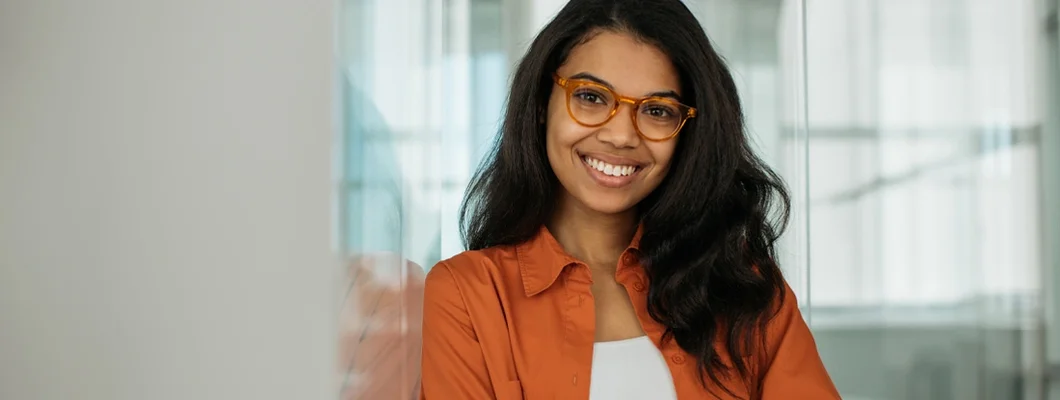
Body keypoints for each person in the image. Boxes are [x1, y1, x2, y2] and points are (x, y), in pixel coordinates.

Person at [420, 0, 840, 399]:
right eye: (590, 97)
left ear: (687, 131)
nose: (621, 135)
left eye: (657, 111)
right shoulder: (467, 295)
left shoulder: (743, 284)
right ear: (542, 104)